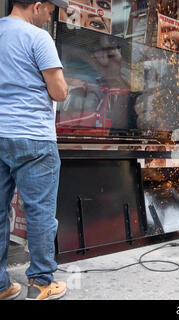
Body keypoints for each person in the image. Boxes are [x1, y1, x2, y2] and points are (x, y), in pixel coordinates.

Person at [0, 0, 69, 300]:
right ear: (37, 6)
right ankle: (41, 282)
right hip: (34, 139)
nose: (49, 17)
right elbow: (58, 91)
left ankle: (1, 285)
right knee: (40, 213)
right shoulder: (38, 37)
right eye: (50, 11)